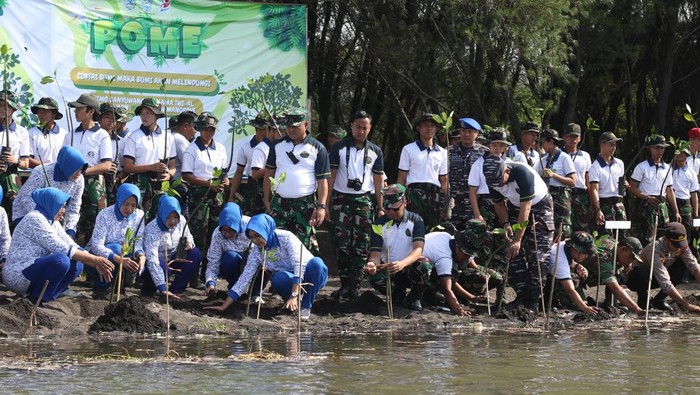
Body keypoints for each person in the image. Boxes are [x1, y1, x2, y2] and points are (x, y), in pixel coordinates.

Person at [205, 213, 329, 320]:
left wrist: (294, 295)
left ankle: (305, 306)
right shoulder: (257, 251)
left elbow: (299, 265)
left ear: (265, 230)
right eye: (251, 237)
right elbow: (245, 278)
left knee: (317, 263)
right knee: (278, 278)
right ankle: (296, 301)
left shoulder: (286, 238)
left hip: (310, 275)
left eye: (257, 235)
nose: (255, 240)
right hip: (289, 280)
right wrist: (224, 305)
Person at [2, 187, 113, 304]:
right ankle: (35, 299)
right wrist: (95, 259)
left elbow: (72, 245)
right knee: (61, 260)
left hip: (34, 269)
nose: (63, 210)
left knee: (78, 263)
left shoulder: (51, 221)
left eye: (64, 206)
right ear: (51, 203)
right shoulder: (35, 218)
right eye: (61, 206)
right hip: (18, 274)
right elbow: (62, 248)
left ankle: (45, 298)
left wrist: (95, 264)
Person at [482, 154, 554, 312]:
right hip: (515, 207)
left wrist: (518, 239)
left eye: (500, 180)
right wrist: (506, 224)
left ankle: (533, 300)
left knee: (538, 254)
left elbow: (526, 208)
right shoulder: (491, 178)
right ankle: (521, 296)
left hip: (539, 206)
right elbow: (499, 204)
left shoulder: (523, 173)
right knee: (512, 253)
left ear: (507, 171)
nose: (498, 185)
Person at [328, 110, 384, 300]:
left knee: (362, 244)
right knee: (342, 244)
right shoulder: (339, 148)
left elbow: (378, 181)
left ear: (369, 129)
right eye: (358, 127)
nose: (361, 131)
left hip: (364, 200)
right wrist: (325, 203)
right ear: (351, 126)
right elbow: (331, 176)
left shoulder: (376, 151)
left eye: (365, 128)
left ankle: (356, 286)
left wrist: (381, 206)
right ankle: (344, 284)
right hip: (341, 200)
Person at [263, 108, 330, 255]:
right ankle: (279, 278)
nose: (292, 130)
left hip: (305, 205)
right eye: (288, 126)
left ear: (306, 125)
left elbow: (322, 180)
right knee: (276, 245)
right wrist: (267, 199)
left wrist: (321, 206)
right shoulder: (277, 145)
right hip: (279, 203)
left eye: (296, 126)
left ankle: (301, 278)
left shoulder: (318, 148)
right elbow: (269, 172)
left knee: (303, 247)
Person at [363, 184, 432, 311]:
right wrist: (372, 265)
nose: (390, 212)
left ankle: (414, 298)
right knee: (373, 274)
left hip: (408, 266)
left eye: (395, 209)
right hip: (388, 268)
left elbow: (418, 250)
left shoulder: (416, 221)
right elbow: (375, 255)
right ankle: (396, 295)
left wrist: (402, 264)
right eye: (387, 209)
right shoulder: (378, 225)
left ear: (404, 203)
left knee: (424, 266)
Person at [182, 112, 229, 283]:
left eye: (212, 129)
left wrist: (224, 180)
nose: (209, 133)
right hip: (199, 197)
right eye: (205, 129)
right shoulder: (192, 149)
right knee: (198, 236)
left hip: (217, 197)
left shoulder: (221, 148)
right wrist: (208, 184)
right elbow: (186, 175)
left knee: (215, 236)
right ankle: (193, 275)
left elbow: (224, 172)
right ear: (199, 129)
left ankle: (208, 274)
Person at [65, 94, 112, 243]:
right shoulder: (70, 135)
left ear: (91, 111)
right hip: (71, 181)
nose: (76, 112)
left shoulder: (102, 134)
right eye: (75, 109)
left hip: (94, 184)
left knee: (95, 220)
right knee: (71, 217)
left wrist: (83, 172)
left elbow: (106, 165)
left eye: (80, 109)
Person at [85, 183, 146, 298]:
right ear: (119, 199)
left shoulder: (139, 215)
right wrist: (119, 258)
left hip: (123, 255)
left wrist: (141, 256)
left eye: (133, 205)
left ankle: (120, 287)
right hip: (98, 257)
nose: (129, 209)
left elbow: (137, 242)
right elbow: (97, 246)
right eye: (126, 204)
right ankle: (101, 288)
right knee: (117, 249)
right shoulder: (105, 215)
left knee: (137, 260)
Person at [623, 222, 700, 313]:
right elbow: (664, 282)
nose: (678, 248)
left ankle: (659, 300)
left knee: (682, 265)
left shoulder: (682, 247)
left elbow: (694, 265)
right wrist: (687, 305)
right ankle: (643, 302)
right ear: (666, 239)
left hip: (658, 276)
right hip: (637, 279)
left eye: (680, 245)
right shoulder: (655, 249)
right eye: (675, 245)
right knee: (641, 273)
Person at [12, 146, 87, 237]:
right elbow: (26, 198)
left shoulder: (79, 179)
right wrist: (46, 220)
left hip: (56, 219)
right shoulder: (41, 172)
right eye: (75, 169)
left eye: (81, 169)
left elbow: (74, 206)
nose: (78, 173)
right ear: (67, 165)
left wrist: (70, 230)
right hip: (28, 215)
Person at [122, 98, 176, 220]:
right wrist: (151, 167)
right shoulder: (134, 136)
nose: (144, 116)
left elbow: (172, 166)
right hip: (141, 182)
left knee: (160, 217)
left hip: (161, 183)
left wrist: (168, 175)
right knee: (139, 218)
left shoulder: (168, 137)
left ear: (157, 115)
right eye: (142, 113)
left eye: (149, 113)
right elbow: (127, 166)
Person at [141, 195, 202, 299]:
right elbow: (152, 260)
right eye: (168, 217)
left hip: (174, 257)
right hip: (157, 263)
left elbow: (188, 236)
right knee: (163, 267)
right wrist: (162, 287)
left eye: (175, 217)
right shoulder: (152, 230)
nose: (172, 221)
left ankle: (176, 290)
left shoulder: (181, 220)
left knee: (195, 254)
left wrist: (189, 243)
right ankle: (150, 290)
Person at [396, 113, 448, 231]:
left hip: (435, 196)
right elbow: (402, 177)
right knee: (413, 228)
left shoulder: (442, 152)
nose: (429, 128)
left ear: (436, 128)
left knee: (434, 230)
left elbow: (443, 179)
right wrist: (398, 198)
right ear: (418, 128)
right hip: (414, 194)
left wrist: (448, 198)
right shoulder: (408, 149)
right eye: (425, 125)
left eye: (432, 126)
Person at [629, 135, 680, 247]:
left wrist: (676, 211)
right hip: (647, 205)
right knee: (647, 238)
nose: (659, 150)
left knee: (664, 237)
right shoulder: (642, 167)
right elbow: (632, 187)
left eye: (662, 148)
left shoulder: (667, 168)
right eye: (656, 147)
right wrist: (647, 197)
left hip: (662, 205)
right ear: (650, 148)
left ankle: (661, 261)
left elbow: (670, 190)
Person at [534, 129, 576, 240]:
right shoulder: (542, 160)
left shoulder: (564, 158)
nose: (542, 145)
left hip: (560, 195)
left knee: (563, 228)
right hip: (547, 195)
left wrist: (554, 175)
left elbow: (572, 181)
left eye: (544, 142)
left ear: (551, 142)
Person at [204, 202, 251, 295]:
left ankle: (255, 293)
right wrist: (210, 283)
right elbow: (213, 260)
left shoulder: (251, 226)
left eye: (231, 230)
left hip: (251, 259)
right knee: (230, 257)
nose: (227, 234)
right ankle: (234, 288)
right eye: (224, 230)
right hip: (231, 263)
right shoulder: (217, 234)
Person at [547, 232, 599, 314]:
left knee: (580, 274)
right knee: (574, 279)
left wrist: (576, 266)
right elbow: (570, 289)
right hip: (544, 281)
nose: (587, 256)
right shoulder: (560, 261)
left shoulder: (566, 246)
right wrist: (584, 308)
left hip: (551, 272)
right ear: (576, 250)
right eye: (585, 253)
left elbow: (568, 259)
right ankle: (557, 301)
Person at [448, 117, 487, 227]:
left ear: (477, 133)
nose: (466, 134)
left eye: (470, 131)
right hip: (454, 204)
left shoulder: (484, 153)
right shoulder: (448, 152)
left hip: (477, 205)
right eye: (464, 131)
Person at [469, 128, 511, 229]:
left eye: (501, 145)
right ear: (488, 146)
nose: (497, 148)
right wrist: (477, 214)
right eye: (494, 145)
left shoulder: (509, 163)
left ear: (506, 147)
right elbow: (472, 191)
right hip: (486, 204)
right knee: (486, 238)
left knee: (505, 236)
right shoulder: (478, 164)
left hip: (506, 201)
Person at [592, 236, 645, 314]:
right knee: (581, 308)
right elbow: (615, 288)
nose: (631, 262)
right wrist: (636, 309)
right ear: (623, 249)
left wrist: (625, 271)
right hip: (577, 276)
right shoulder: (604, 258)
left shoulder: (617, 251)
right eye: (630, 257)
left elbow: (618, 278)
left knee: (617, 275)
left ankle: (611, 302)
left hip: (599, 272)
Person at [229, 114, 270, 215]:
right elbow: (239, 172)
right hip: (253, 186)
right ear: (256, 129)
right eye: (261, 130)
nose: (263, 133)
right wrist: (231, 196)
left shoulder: (274, 146)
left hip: (270, 184)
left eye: (266, 130)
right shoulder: (246, 147)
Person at [588, 132, 627, 237]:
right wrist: (598, 210)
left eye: (615, 144)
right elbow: (594, 190)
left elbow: (621, 185)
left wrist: (624, 184)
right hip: (605, 204)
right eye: (611, 144)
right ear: (602, 145)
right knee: (607, 237)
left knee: (623, 236)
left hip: (619, 204)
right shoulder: (595, 167)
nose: (614, 147)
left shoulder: (619, 163)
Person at [0, 90, 31, 222]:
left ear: (13, 108)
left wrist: (15, 160)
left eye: (5, 105)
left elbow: (26, 164)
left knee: (12, 212)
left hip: (11, 176)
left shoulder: (21, 132)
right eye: (0, 105)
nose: (1, 109)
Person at [561, 123, 592, 233]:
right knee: (564, 227)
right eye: (570, 136)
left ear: (580, 139)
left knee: (582, 228)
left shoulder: (585, 156)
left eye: (576, 137)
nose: (573, 140)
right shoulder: (559, 155)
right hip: (563, 193)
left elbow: (588, 178)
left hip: (581, 194)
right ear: (564, 138)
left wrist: (591, 201)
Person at [670, 144, 698, 246]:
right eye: (679, 153)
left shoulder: (691, 172)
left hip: (686, 204)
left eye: (684, 154)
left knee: (685, 234)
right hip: (671, 202)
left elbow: (694, 193)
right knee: (671, 233)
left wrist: (695, 214)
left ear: (687, 155)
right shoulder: (668, 169)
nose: (681, 156)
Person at [27, 97, 68, 167]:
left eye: (45, 111)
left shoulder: (65, 134)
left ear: (54, 113)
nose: (41, 114)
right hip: (37, 174)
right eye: (39, 111)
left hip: (59, 176)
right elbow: (27, 159)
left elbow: (68, 159)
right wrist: (48, 167)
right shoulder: (31, 133)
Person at [99, 103, 124, 206]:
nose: (111, 120)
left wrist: (117, 178)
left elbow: (126, 167)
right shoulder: (91, 138)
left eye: (114, 118)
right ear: (99, 119)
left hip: (114, 184)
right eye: (107, 117)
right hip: (95, 182)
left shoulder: (121, 142)